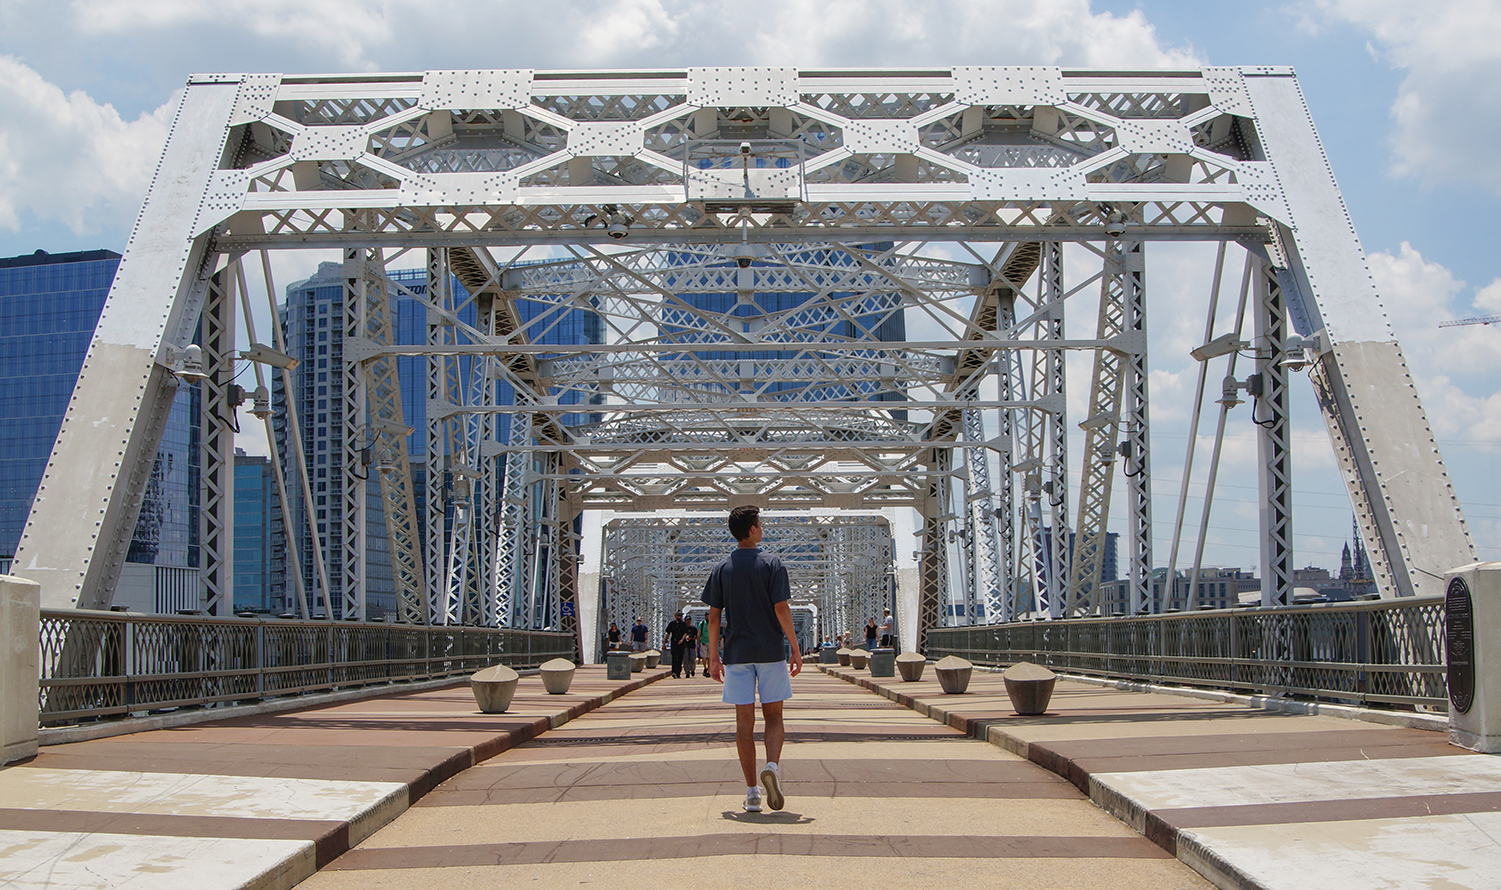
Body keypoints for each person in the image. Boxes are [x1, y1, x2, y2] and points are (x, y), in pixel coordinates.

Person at [703, 504, 803, 813]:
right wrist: (795, 647)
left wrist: (713, 657)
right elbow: (781, 609)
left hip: (737, 654)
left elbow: (714, 617)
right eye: (760, 523)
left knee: (744, 724)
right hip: (770, 652)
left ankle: (751, 793)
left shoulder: (721, 569)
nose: (762, 527)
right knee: (774, 717)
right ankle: (771, 766)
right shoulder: (772, 563)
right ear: (752, 530)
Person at [666, 610, 692, 678]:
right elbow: (668, 633)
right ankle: (674, 672)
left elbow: (685, 633)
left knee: (680, 658)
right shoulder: (672, 624)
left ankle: (678, 673)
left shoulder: (683, 624)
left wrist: (682, 640)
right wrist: (665, 642)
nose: (680, 617)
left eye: (681, 616)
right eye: (679, 616)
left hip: (681, 643)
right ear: (676, 616)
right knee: (674, 657)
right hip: (674, 643)